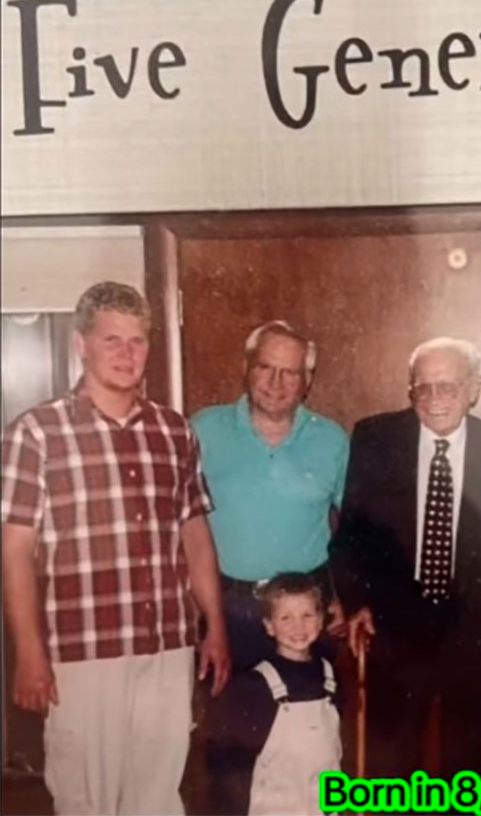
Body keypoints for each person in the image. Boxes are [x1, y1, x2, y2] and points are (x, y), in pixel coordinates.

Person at [1, 281, 230, 816]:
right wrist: (29, 652)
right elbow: (14, 553)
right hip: (82, 651)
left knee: (157, 795)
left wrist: (213, 626)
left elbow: (194, 533)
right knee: (87, 798)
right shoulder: (35, 433)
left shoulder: (175, 431)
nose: (127, 354)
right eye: (112, 340)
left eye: (137, 341)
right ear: (82, 344)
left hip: (167, 646)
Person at [330, 337, 481, 780]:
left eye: (448, 388)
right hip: (395, 630)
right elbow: (351, 537)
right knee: (392, 766)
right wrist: (357, 601)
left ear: (473, 390)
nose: (434, 400)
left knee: (476, 768)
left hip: (474, 634)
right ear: (410, 390)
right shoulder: (376, 438)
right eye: (423, 389)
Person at [191, 319, 349, 812]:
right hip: (231, 609)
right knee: (230, 748)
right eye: (266, 368)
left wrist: (342, 596)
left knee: (307, 749)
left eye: (290, 372)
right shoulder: (203, 429)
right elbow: (183, 525)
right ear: (246, 369)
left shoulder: (331, 440)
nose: (277, 383)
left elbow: (352, 526)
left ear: (308, 380)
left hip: (306, 614)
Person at [212, 573, 341, 815]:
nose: (298, 627)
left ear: (321, 619)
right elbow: (234, 762)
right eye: (286, 618)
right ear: (269, 625)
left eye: (307, 616)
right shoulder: (258, 684)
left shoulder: (329, 677)